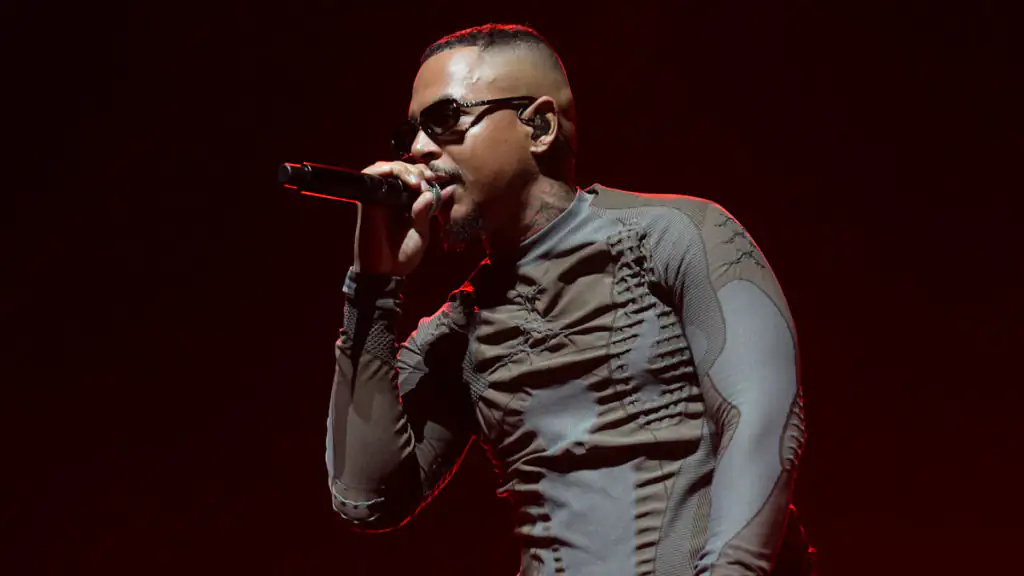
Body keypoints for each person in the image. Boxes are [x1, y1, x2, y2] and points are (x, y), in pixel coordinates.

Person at [325, 23, 814, 576]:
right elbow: (366, 500)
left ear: (539, 125)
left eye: (445, 119)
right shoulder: (458, 330)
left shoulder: (678, 235)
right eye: (411, 132)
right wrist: (373, 287)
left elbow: (762, 421)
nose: (418, 150)